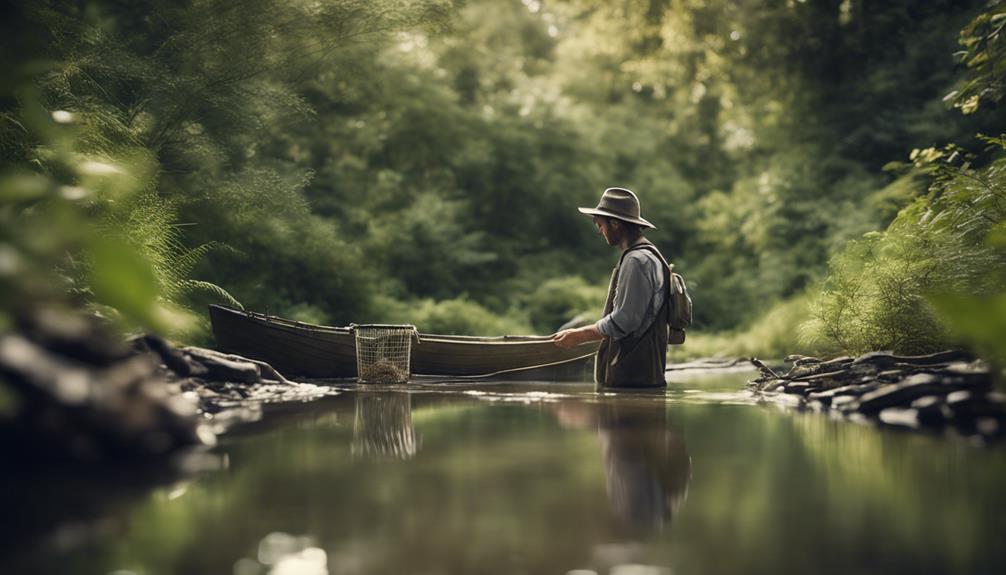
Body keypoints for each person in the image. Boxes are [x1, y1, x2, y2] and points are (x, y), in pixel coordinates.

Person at [552, 187, 671, 388]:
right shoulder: (648, 256)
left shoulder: (637, 261)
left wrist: (579, 335)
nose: (599, 230)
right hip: (644, 377)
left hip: (633, 380)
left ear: (615, 224)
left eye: (600, 224)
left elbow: (624, 320)